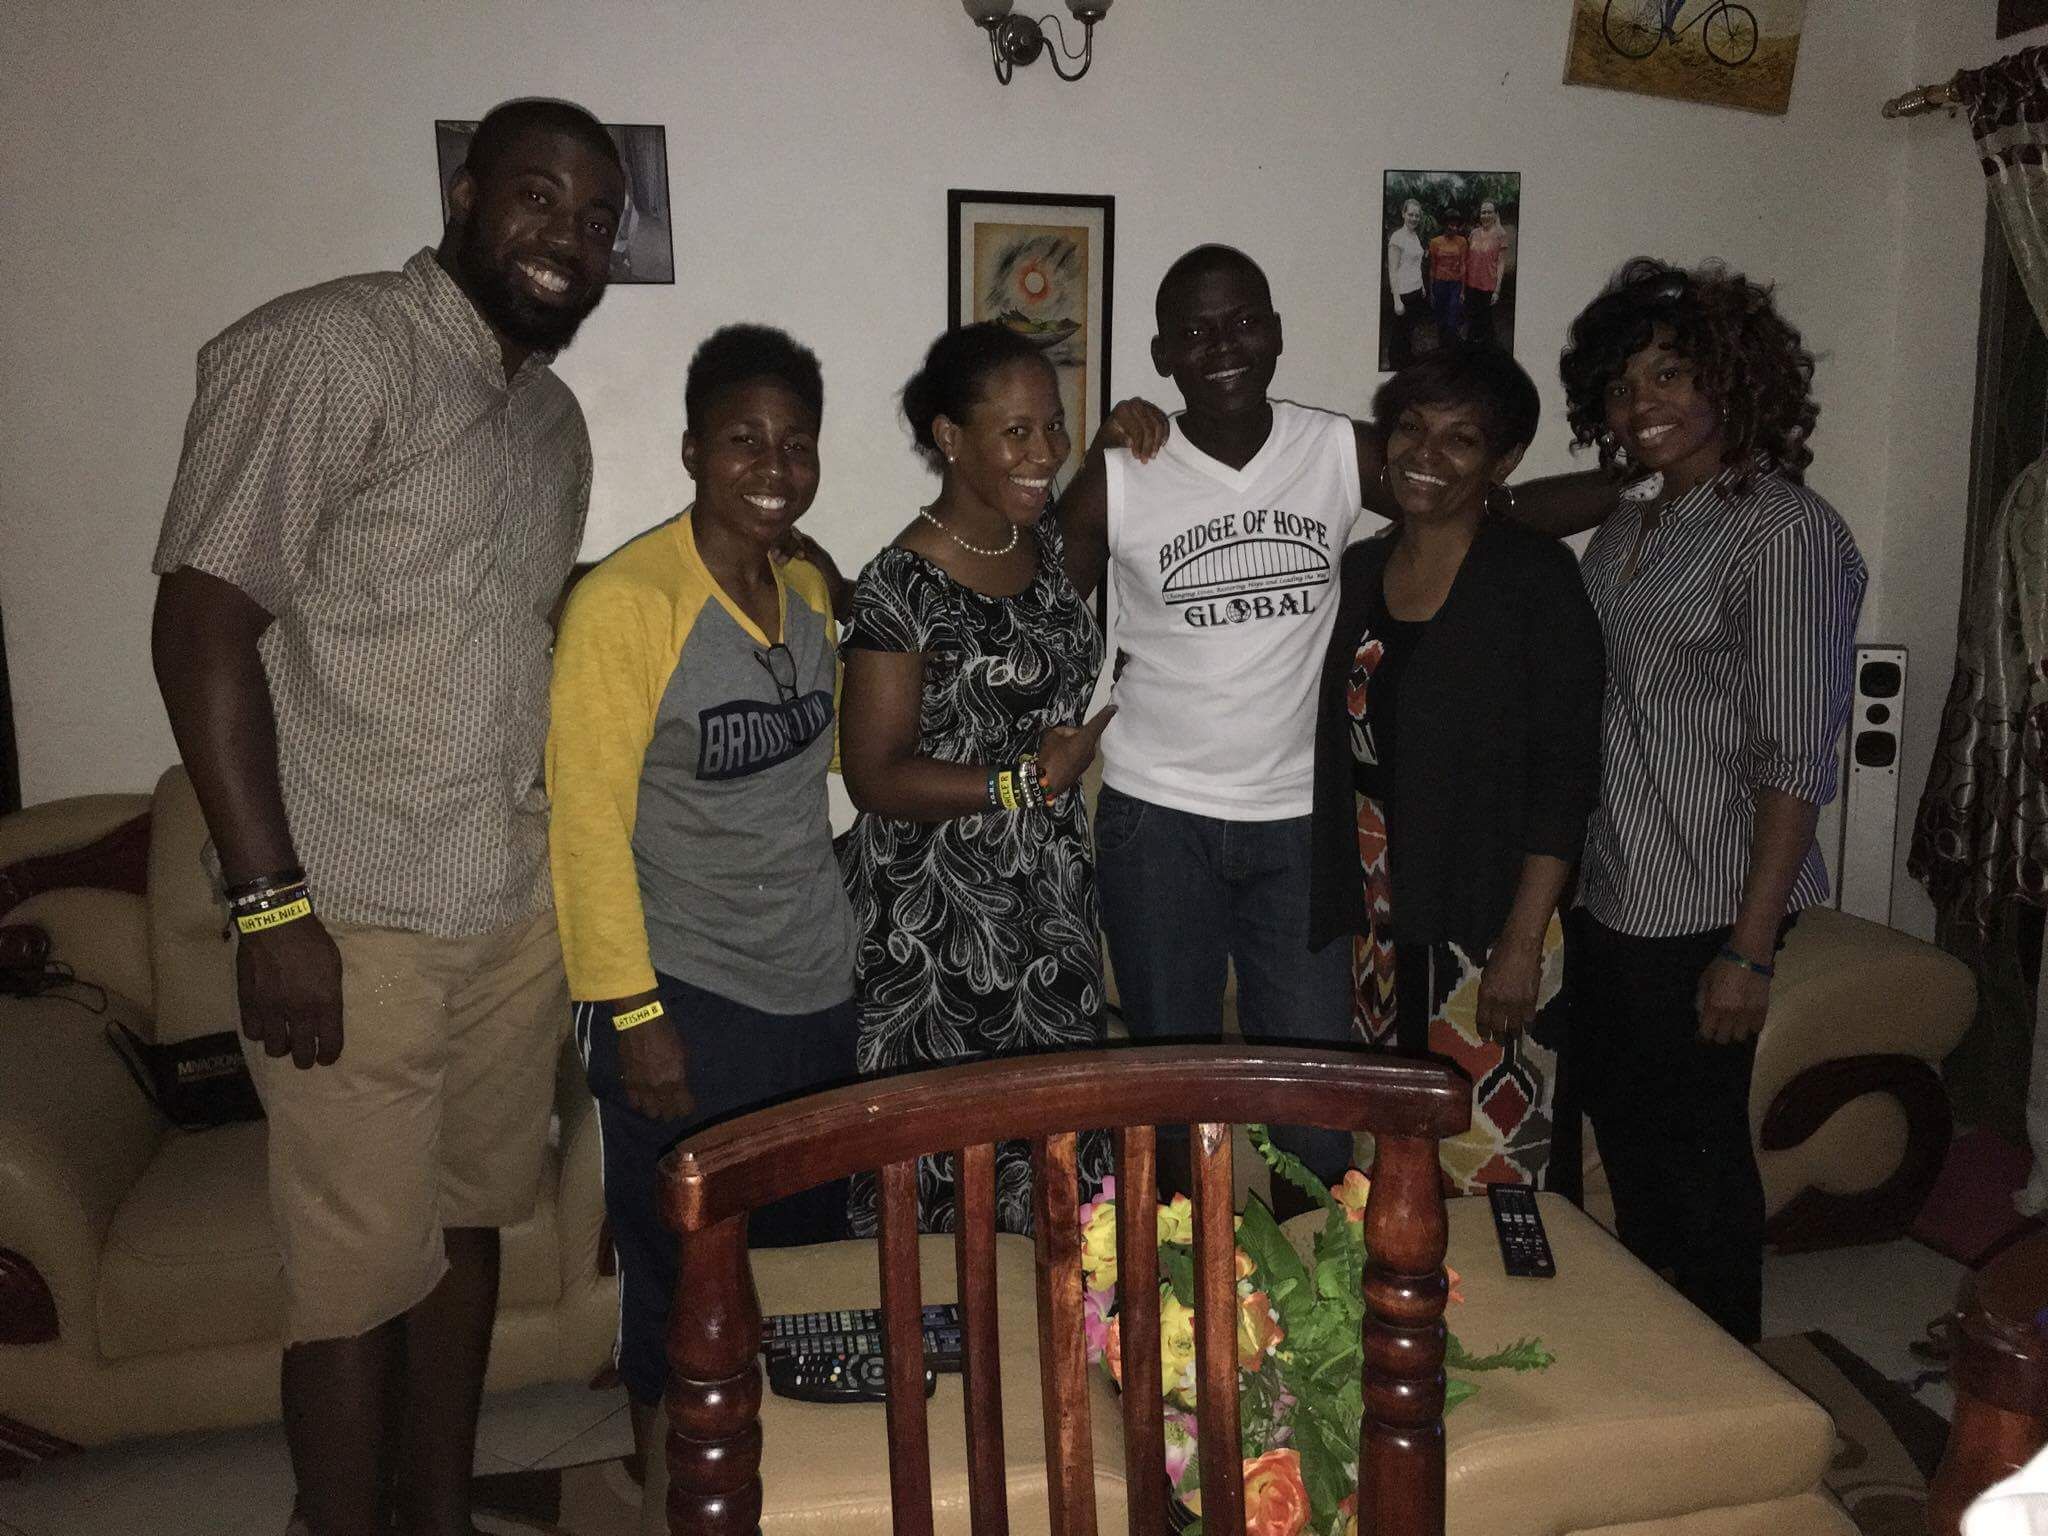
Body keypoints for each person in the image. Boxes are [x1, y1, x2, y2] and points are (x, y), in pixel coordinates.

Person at [150, 98, 623, 1536]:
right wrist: (270, 907)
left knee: (469, 1226)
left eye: (596, 219)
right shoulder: (327, 350)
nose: (566, 237)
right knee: (353, 1281)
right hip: (349, 917)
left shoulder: (551, 423)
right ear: (465, 192)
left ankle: (437, 1511)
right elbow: (201, 625)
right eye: (537, 197)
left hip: (505, 908)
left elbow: (508, 634)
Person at [1056, 243, 1615, 1220]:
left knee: (1316, 1111)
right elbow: (1033, 600)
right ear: (1162, 352)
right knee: (1171, 1096)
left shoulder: (1336, 450)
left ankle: (1305, 1287)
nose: (1222, 346)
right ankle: (1180, 1284)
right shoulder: (1122, 473)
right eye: (1195, 331)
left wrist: (1645, 482)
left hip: (1303, 833)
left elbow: (1474, 505)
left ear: (1275, 333)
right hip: (1156, 821)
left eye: (1243, 322)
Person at [546, 324, 857, 1496]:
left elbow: (829, 765)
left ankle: (787, 1494)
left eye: (795, 443)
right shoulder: (625, 606)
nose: (773, 465)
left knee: (797, 1269)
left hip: (813, 987)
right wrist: (634, 1016)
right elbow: (583, 825)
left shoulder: (808, 593)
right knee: (679, 1276)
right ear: (690, 450)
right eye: (743, 439)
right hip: (684, 993)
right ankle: (669, 1499)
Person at [1559, 257, 1866, 1343]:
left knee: (1696, 1157)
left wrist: (1748, 948)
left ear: (1732, 378)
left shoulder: (1783, 532)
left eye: (1671, 375)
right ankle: (1660, 1355)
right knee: (1630, 1140)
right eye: (1621, 385)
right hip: (1614, 887)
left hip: (1706, 900)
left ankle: (1724, 1357)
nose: (1641, 404)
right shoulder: (1634, 521)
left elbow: (1798, 756)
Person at [837, 322, 1114, 1234]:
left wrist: (1117, 437)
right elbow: (874, 776)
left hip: (1050, 907)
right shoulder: (900, 583)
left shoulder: (1043, 551)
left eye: (1054, 425)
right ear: (951, 438)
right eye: (1017, 432)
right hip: (935, 924)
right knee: (938, 1177)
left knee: (1054, 1172)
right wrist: (1024, 783)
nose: (1046, 452)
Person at [1307, 347, 1604, 1192]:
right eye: (1411, 427)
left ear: (1502, 462)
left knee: (1493, 1165)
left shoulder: (1534, 578)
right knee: (1388, 1166)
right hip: (1378, 916)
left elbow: (1566, 773)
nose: (1425, 453)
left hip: (1490, 914)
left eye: (1460, 438)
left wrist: (1522, 942)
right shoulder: (1361, 570)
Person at [1385, 199, 1428, 370]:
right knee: (1399, 332)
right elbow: (1393, 271)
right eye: (1411, 214)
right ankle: (1395, 366)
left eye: (1417, 215)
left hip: (1416, 290)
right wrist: (1397, 300)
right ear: (1403, 214)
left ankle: (1406, 358)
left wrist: (1422, 285)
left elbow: (1416, 264)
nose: (1414, 218)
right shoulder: (1397, 238)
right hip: (1403, 293)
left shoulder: (1415, 236)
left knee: (1409, 329)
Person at [1462, 201, 1513, 347]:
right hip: (1471, 284)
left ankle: (1487, 349)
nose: (1485, 215)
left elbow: (1501, 263)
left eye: (1489, 212)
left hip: (1488, 285)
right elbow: (1468, 258)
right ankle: (1472, 350)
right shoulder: (1474, 233)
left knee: (1485, 320)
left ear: (1495, 214)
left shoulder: (1501, 234)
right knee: (1472, 318)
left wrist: (1497, 290)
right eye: (1483, 212)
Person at [1427, 211, 1470, 350]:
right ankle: (1443, 348)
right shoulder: (1435, 242)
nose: (1454, 228)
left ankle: (1453, 348)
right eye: (1451, 224)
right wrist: (1431, 291)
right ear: (1445, 224)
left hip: (1455, 285)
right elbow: (1432, 267)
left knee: (1452, 320)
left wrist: (1462, 291)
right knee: (1441, 319)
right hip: (1439, 284)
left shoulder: (1462, 241)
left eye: (1457, 225)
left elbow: (1463, 266)